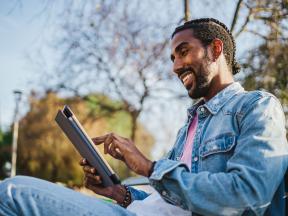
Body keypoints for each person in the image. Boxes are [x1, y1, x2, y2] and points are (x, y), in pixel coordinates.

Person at [0, 18, 287, 216]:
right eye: (172, 58)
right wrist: (119, 194)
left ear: (216, 49)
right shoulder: (190, 126)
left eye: (183, 52)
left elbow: (249, 194)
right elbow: (172, 203)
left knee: (11, 192)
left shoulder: (256, 107)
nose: (175, 66)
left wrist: (150, 167)